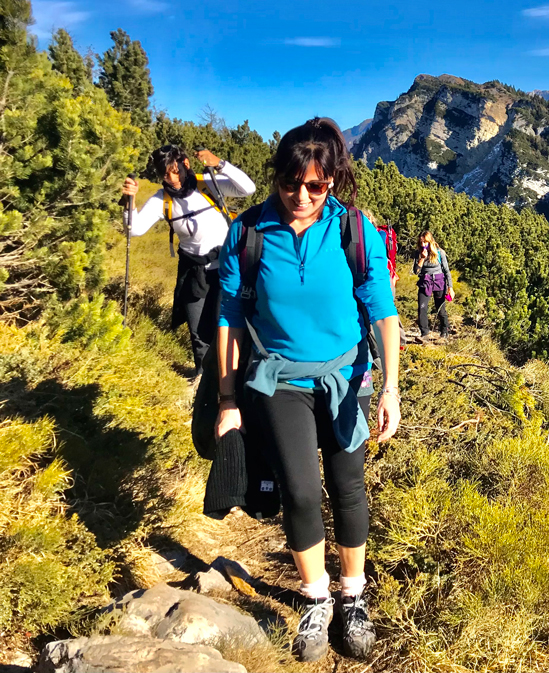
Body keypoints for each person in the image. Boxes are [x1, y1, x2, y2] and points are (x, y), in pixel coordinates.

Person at [213, 118, 401, 662]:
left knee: (347, 485)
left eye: (316, 186)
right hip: (279, 379)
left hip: (346, 378)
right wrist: (228, 400)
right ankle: (316, 595)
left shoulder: (354, 231)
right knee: (298, 490)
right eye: (290, 183)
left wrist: (389, 389)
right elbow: (228, 315)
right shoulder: (247, 232)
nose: (301, 196)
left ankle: (353, 595)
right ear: (276, 178)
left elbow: (383, 311)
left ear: (333, 183)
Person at [120, 146, 256, 371]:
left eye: (175, 171)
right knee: (198, 330)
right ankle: (202, 379)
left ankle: (229, 376)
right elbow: (134, 229)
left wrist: (219, 164)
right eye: (165, 174)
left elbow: (248, 188)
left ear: (186, 164)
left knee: (225, 326)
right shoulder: (161, 199)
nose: (172, 179)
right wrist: (129, 200)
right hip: (193, 270)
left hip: (225, 269)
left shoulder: (207, 183)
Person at [412, 230, 453, 341]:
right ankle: (424, 334)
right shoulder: (418, 253)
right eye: (421, 242)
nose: (423, 245)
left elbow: (446, 270)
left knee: (440, 309)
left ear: (430, 241)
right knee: (422, 307)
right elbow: (415, 271)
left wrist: (450, 287)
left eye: (425, 242)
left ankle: (445, 331)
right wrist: (422, 258)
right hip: (425, 282)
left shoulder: (440, 252)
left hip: (439, 281)